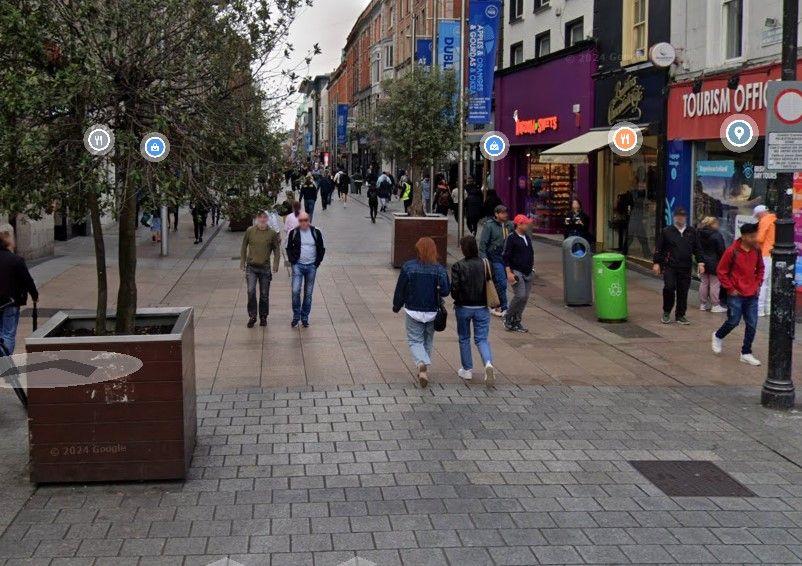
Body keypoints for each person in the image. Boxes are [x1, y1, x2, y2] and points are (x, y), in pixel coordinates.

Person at [392, 237, 450, 388]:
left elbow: (401, 289)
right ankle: (424, 369)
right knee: (427, 340)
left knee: (414, 340)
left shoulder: (408, 267)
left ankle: (421, 364)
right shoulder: (439, 269)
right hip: (432, 311)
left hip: (413, 310)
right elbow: (445, 291)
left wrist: (396, 305)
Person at [712, 223, 764, 366]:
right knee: (733, 321)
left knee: (752, 324)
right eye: (752, 236)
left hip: (752, 293)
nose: (755, 239)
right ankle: (718, 336)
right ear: (744, 236)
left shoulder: (757, 250)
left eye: (755, 236)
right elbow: (721, 271)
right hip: (736, 293)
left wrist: (758, 284)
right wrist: (730, 288)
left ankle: (746, 353)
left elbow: (761, 268)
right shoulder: (731, 251)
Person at [451, 235, 496, 387]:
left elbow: (455, 289)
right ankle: (488, 364)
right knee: (482, 339)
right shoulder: (485, 263)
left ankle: (467, 369)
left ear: (463, 249)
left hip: (463, 307)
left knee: (464, 338)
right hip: (482, 307)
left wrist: (456, 298)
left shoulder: (458, 266)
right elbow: (492, 283)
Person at [653, 207, 705, 325]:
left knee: (683, 291)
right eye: (678, 216)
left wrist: (701, 263)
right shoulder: (667, 231)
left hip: (685, 266)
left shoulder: (692, 232)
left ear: (685, 217)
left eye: (682, 216)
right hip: (670, 265)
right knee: (669, 288)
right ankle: (666, 311)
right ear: (674, 217)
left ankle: (680, 315)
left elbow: (698, 248)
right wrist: (656, 263)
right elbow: (659, 248)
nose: (680, 218)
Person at [0, 224, 38, 356]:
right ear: (9, 239)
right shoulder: (16, 260)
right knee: (8, 334)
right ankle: (4, 362)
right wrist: (34, 295)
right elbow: (27, 280)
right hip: (11, 301)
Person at [240, 211, 282, 328]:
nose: (262, 219)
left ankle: (263, 316)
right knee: (251, 291)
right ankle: (252, 316)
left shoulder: (272, 233)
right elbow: (244, 246)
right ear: (257, 218)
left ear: (267, 219)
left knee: (264, 294)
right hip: (251, 267)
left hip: (265, 268)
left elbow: (276, 250)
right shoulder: (250, 231)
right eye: (260, 217)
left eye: (264, 217)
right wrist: (242, 262)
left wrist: (275, 265)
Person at [286, 212, 325, 328]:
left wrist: (317, 263)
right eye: (301, 220)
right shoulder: (294, 232)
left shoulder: (316, 232)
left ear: (309, 220)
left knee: (308, 294)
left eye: (305, 220)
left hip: (311, 266)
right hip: (298, 265)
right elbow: (288, 247)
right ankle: (296, 316)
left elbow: (322, 248)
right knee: (295, 291)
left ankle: (304, 317)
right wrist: (293, 261)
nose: (303, 222)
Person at [502, 215, 535, 333]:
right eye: (525, 223)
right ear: (519, 224)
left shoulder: (527, 237)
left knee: (525, 298)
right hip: (516, 271)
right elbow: (506, 256)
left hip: (528, 272)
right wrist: (509, 273)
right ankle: (508, 317)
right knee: (520, 295)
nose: (527, 225)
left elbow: (530, 253)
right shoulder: (511, 238)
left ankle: (516, 321)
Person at [479, 205, 514, 318]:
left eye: (506, 212)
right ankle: (504, 306)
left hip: (507, 258)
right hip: (495, 257)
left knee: (500, 283)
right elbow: (483, 243)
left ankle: (496, 304)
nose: (505, 215)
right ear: (496, 214)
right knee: (501, 283)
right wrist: (484, 258)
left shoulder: (510, 225)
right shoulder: (489, 226)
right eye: (502, 213)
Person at [698, 216, 727, 313]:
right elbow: (721, 250)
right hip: (715, 262)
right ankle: (715, 305)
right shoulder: (716, 235)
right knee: (715, 284)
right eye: (717, 223)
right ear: (712, 224)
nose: (718, 225)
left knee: (704, 283)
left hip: (702, 261)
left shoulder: (699, 233)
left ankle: (702, 304)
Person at [754, 205, 776, 317]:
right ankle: (768, 308)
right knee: (769, 283)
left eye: (757, 216)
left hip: (765, 253)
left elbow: (760, 238)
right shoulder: (774, 219)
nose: (757, 219)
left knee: (762, 282)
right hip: (773, 253)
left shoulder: (764, 221)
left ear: (760, 214)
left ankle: (760, 309)